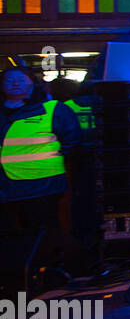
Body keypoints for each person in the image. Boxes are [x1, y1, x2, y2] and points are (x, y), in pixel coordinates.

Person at [0, 65, 83, 294]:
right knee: (10, 236)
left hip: (41, 184)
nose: (14, 83)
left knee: (44, 232)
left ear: (32, 82)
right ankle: (17, 278)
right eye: (8, 80)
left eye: (20, 79)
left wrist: (48, 162)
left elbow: (72, 140)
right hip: (5, 187)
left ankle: (48, 274)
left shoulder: (51, 109)